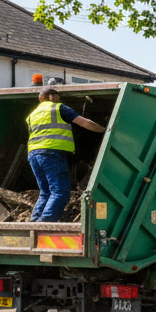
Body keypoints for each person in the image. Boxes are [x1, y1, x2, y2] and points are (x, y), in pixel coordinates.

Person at [25, 86, 106, 222]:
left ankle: (34, 224)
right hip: (51, 153)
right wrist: (105, 130)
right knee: (60, 192)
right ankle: (43, 225)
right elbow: (84, 122)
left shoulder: (32, 115)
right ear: (52, 96)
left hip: (33, 155)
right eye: (57, 96)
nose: (59, 98)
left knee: (45, 192)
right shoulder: (58, 108)